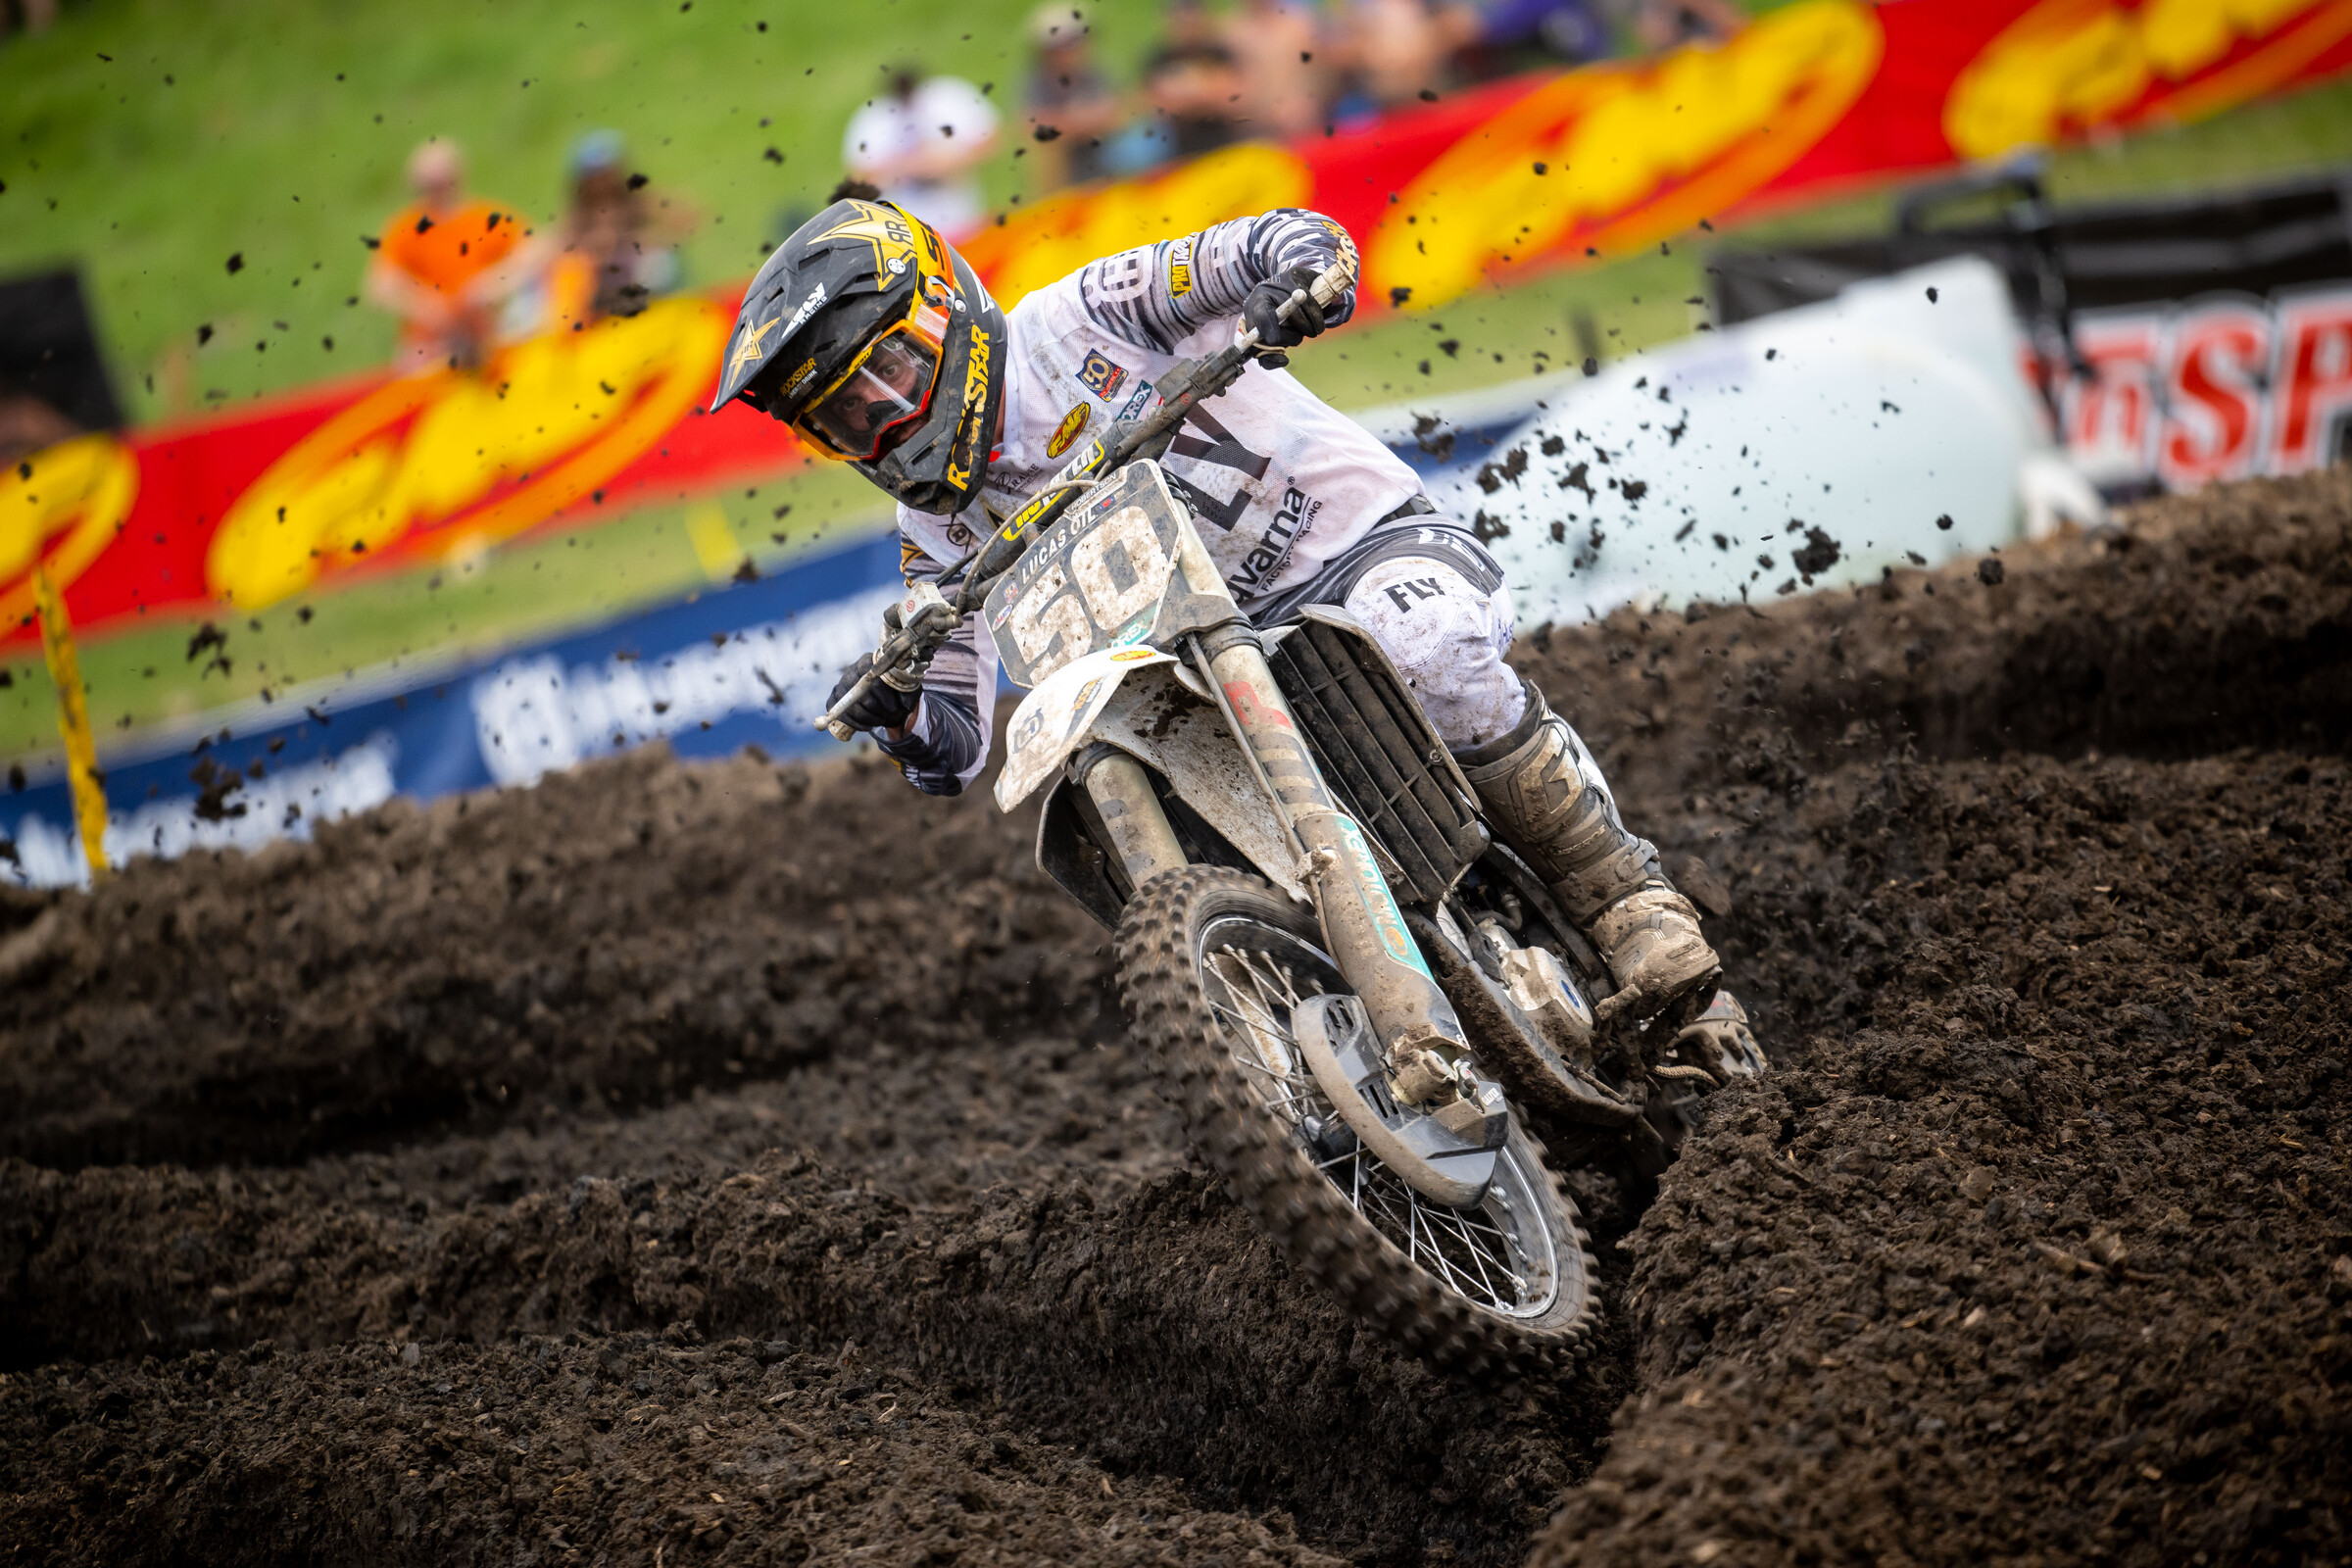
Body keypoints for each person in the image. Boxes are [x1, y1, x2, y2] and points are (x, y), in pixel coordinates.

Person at [709, 196, 1724, 1018]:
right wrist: (903, 714)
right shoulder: (934, 529)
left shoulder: (1083, 316)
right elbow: (960, 741)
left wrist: (1302, 282)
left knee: (1426, 648)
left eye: (884, 372)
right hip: (1202, 683)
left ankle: (1627, 896)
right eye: (843, 413)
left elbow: (1272, 239)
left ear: (942, 307)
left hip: (1350, 554)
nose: (881, 416)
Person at [365, 139, 526, 372]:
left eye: (441, 182)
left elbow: (536, 251)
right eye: (428, 185)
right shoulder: (406, 228)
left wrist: (490, 285)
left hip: (484, 336)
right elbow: (379, 286)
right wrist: (426, 306)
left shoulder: (483, 218)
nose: (437, 192)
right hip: (429, 345)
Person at [533, 130, 694, 333]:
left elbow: (687, 219)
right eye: (594, 177)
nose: (602, 182)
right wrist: (588, 252)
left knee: (660, 265)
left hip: (638, 279)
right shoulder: (579, 217)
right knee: (568, 280)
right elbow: (552, 246)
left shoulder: (633, 202)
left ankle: (670, 317)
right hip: (598, 287)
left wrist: (642, 240)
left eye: (607, 174)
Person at [841, 67, 1001, 239]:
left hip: (961, 219)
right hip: (904, 231)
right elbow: (858, 176)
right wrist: (903, 168)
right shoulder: (873, 119)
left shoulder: (946, 99)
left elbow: (990, 139)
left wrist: (948, 161)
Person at [1023, 4, 1125, 193]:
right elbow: (1034, 128)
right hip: (1060, 179)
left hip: (1104, 167)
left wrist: (1066, 123)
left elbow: (1117, 115)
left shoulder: (1095, 73)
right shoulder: (1037, 82)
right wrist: (1084, 120)